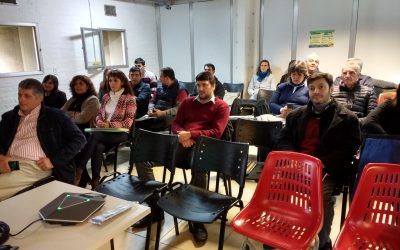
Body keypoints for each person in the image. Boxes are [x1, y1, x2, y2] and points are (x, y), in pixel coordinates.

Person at [134, 71, 230, 244]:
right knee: (142, 159)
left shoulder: (222, 106)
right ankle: (155, 209)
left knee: (200, 165)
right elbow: (176, 123)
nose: (200, 89)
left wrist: (191, 135)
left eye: (204, 85)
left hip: (203, 147)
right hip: (180, 143)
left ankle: (196, 217)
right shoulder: (187, 102)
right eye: (198, 85)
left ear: (213, 86)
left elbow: (216, 132)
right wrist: (180, 135)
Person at [277, 72, 361, 250]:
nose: (316, 92)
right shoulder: (295, 115)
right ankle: (281, 232)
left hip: (325, 170)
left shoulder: (348, 119)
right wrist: (293, 157)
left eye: (321, 87)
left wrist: (322, 163)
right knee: (275, 188)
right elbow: (283, 140)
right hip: (297, 166)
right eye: (312, 88)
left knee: (321, 197)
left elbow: (350, 148)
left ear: (331, 88)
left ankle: (323, 242)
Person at [0, 78, 86, 200]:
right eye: (19, 95)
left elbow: (79, 139)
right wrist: (1, 157)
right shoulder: (9, 117)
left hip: (33, 165)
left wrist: (53, 161)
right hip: (11, 163)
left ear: (40, 98)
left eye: (27, 96)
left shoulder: (55, 116)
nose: (21, 99)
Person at [74, 70, 136, 189]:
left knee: (95, 136)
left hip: (121, 133)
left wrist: (109, 125)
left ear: (122, 82)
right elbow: (99, 116)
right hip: (103, 132)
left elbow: (128, 123)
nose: (112, 83)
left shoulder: (129, 98)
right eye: (110, 80)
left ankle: (79, 168)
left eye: (115, 80)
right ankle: (96, 181)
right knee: (98, 146)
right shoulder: (106, 97)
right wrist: (100, 122)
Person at [135, 67, 188, 131]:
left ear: (167, 78)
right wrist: (150, 109)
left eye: (161, 76)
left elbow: (179, 109)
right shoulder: (160, 85)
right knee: (137, 122)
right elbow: (153, 100)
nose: (159, 79)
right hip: (156, 113)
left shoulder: (181, 90)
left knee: (148, 125)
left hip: (169, 115)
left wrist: (163, 113)